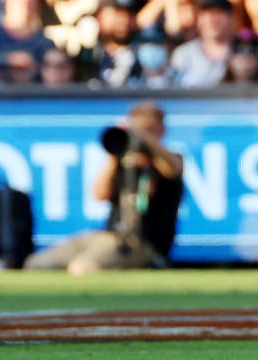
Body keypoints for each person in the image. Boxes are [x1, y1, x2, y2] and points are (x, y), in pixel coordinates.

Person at [24, 101, 183, 275]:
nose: (141, 134)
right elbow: (100, 193)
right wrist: (118, 151)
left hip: (141, 244)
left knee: (82, 267)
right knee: (37, 264)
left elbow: (173, 169)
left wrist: (146, 140)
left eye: (149, 129)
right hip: (108, 236)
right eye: (137, 129)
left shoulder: (168, 161)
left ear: (162, 131)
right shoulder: (124, 163)